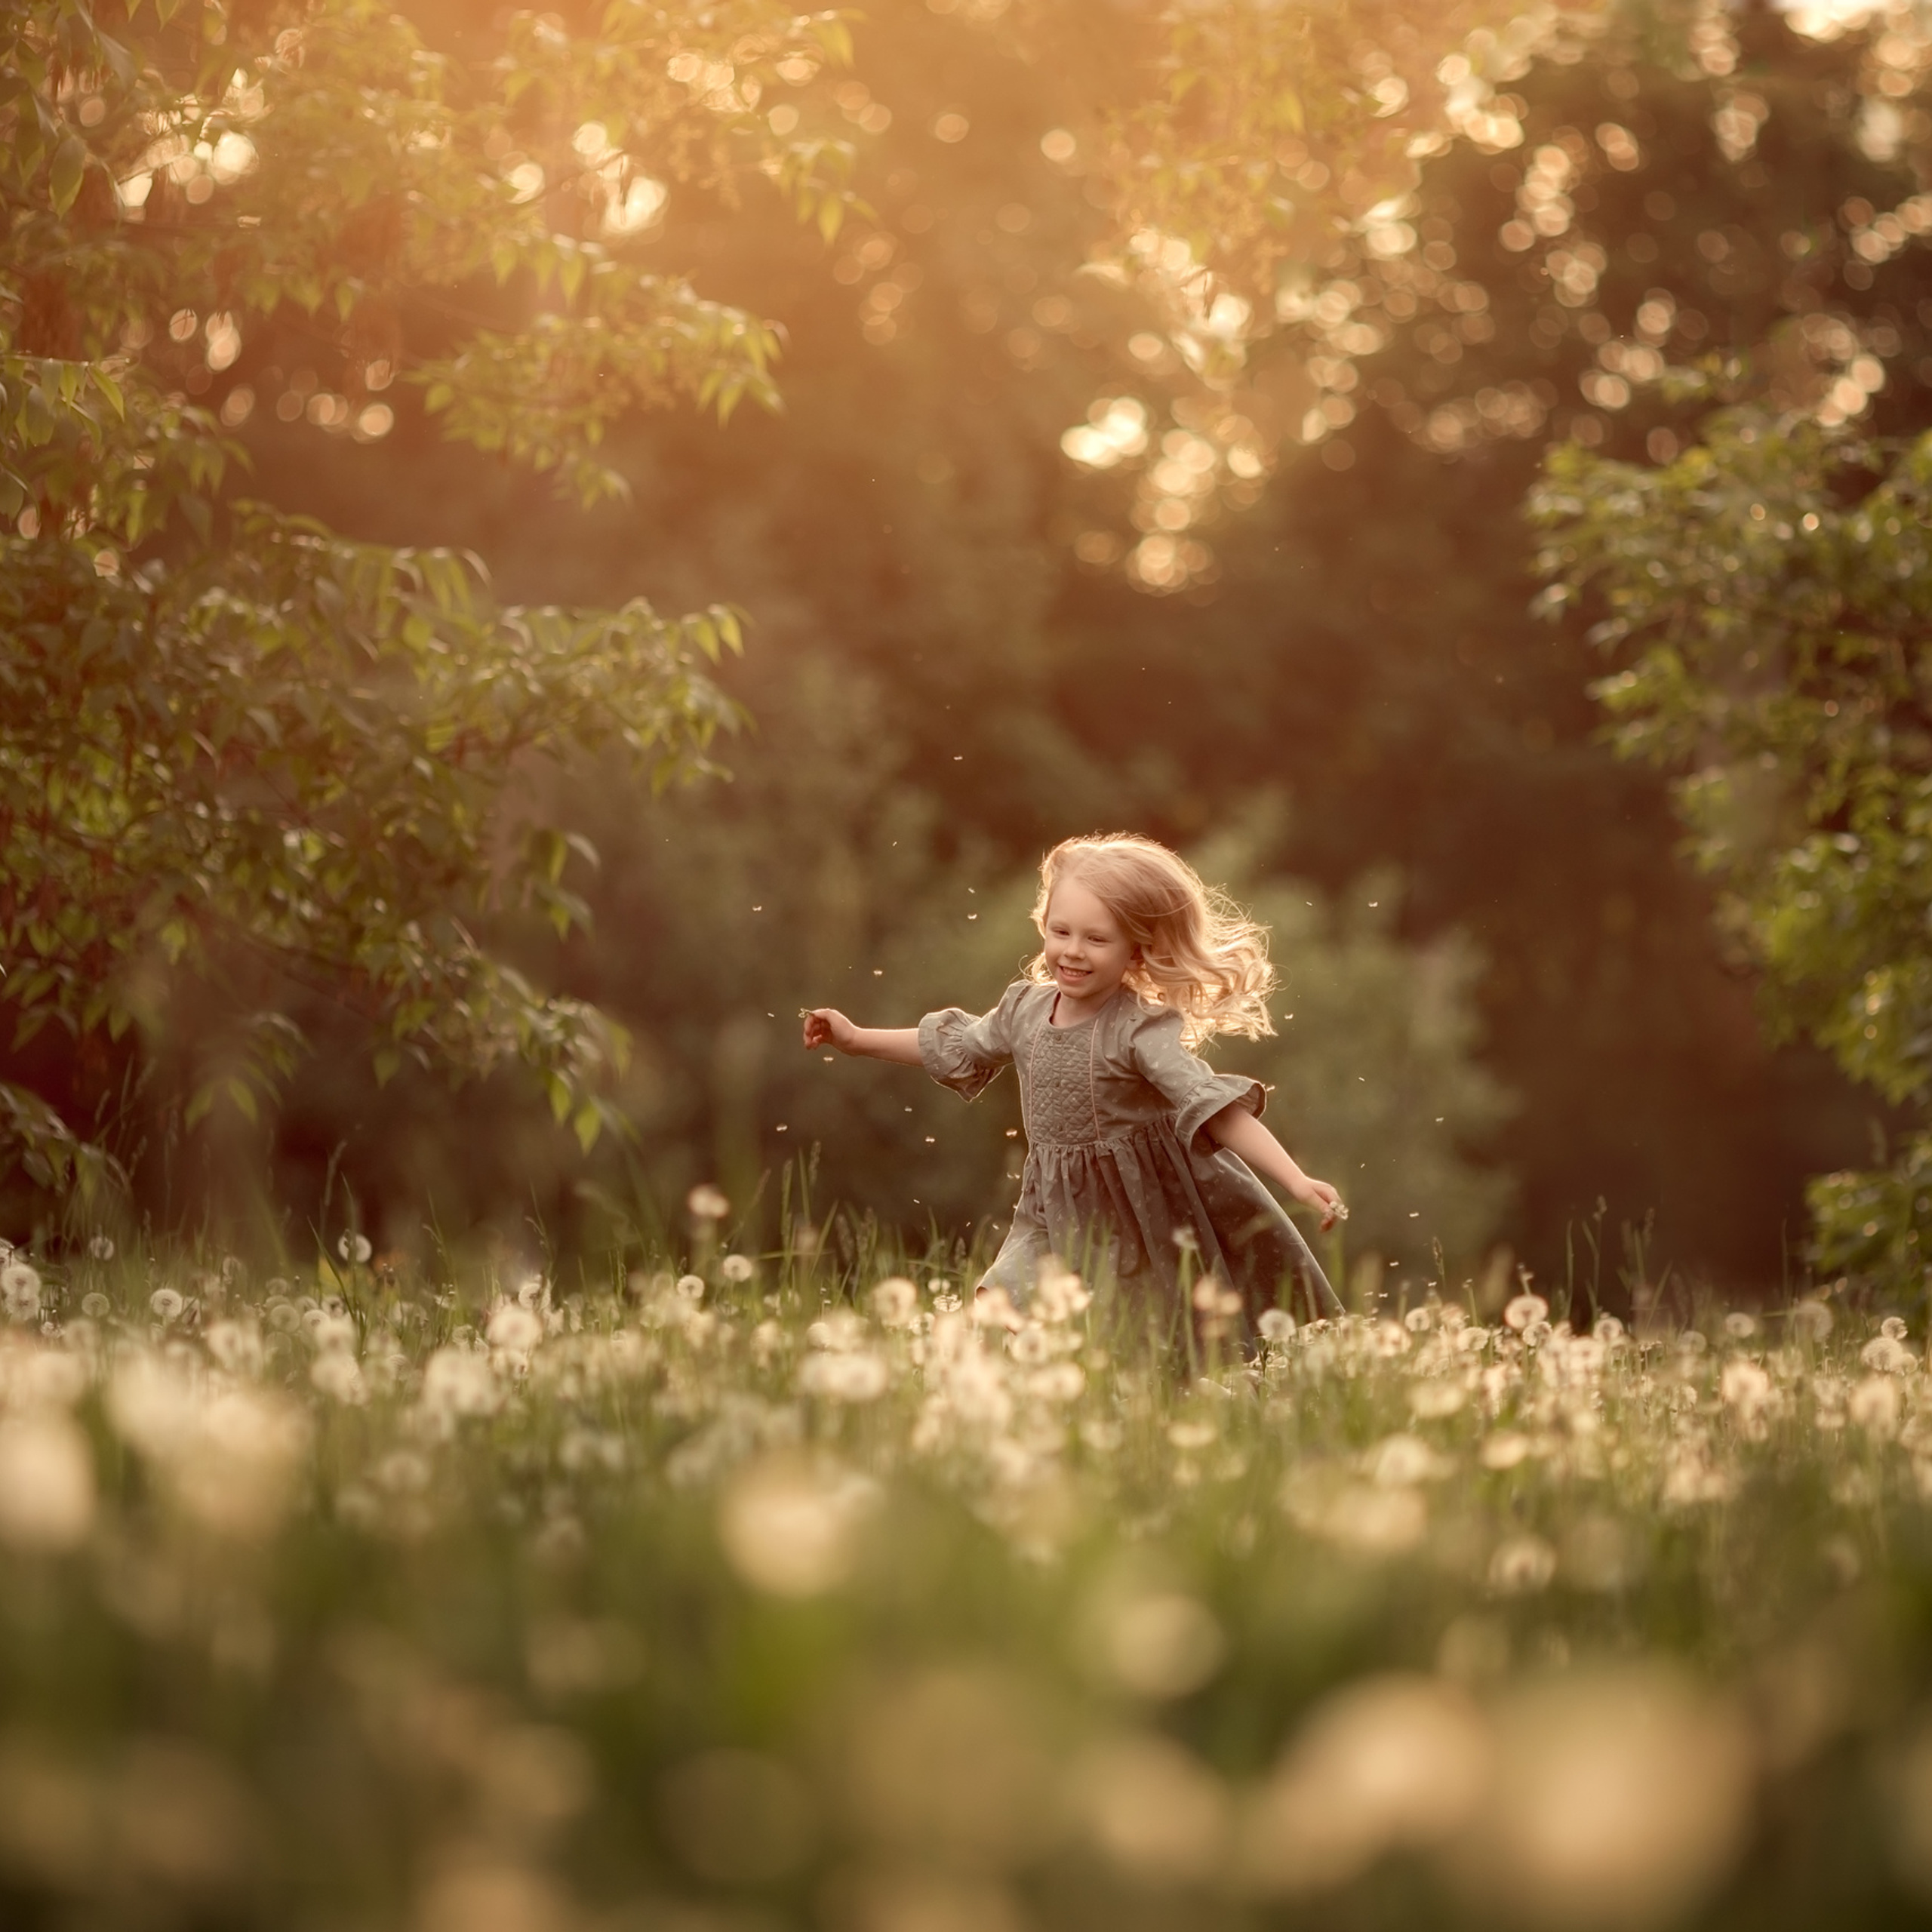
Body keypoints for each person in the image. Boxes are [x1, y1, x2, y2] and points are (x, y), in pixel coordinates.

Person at [801, 832, 1345, 1325]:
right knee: (995, 1309)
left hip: (1140, 1217)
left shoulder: (1138, 1031)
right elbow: (959, 1044)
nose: (1073, 951)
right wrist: (855, 1040)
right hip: (1050, 1210)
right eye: (1061, 931)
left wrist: (1296, 1180)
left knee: (1156, 1352)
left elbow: (1218, 1111)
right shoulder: (1023, 1011)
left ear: (1137, 947)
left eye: (1096, 939)